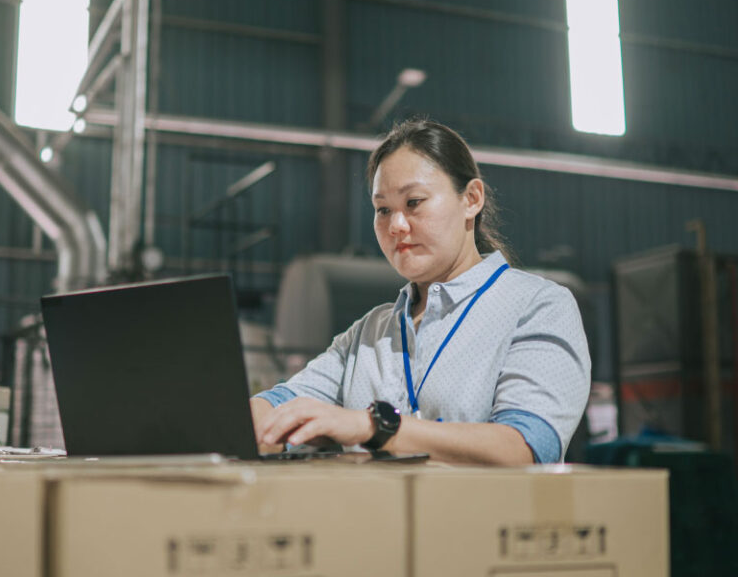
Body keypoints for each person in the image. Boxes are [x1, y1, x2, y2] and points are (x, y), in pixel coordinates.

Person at [251, 119, 590, 464]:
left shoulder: (537, 306)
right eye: (383, 209)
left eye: (414, 202)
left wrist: (376, 428)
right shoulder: (367, 335)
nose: (396, 226)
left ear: (471, 199)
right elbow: (281, 404)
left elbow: (524, 449)